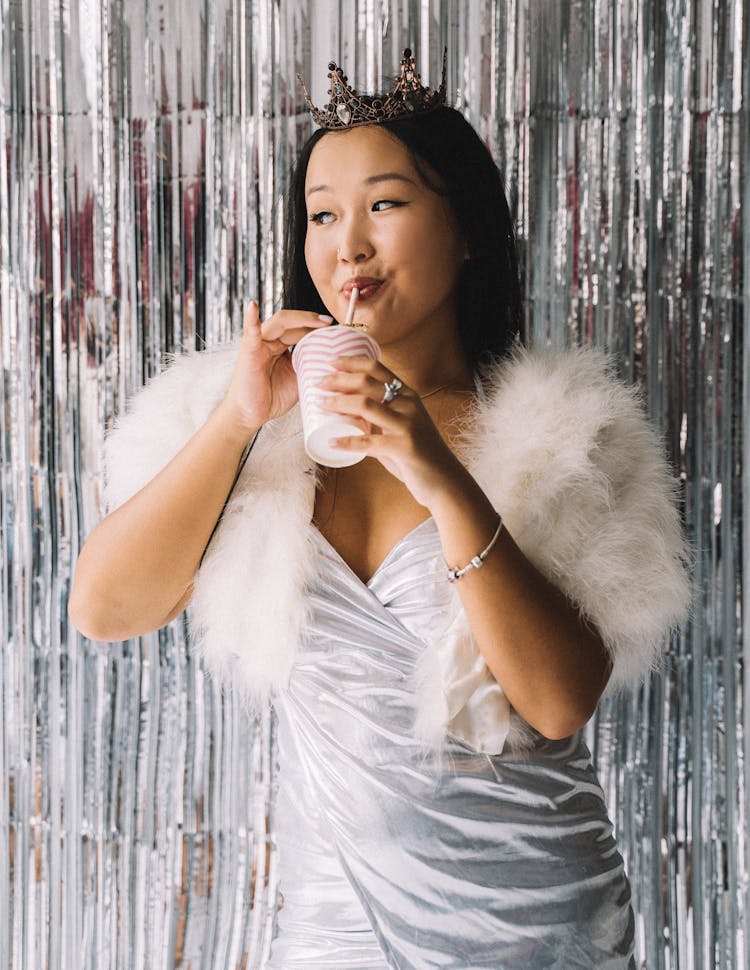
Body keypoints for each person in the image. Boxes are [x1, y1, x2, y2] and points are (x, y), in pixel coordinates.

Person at [69, 50, 690, 969]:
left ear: (468, 228)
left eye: (385, 205)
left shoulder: (563, 430)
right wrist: (239, 418)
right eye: (322, 214)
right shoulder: (248, 424)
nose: (346, 245)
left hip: (531, 921)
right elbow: (103, 609)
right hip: (336, 918)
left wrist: (442, 477)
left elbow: (559, 703)